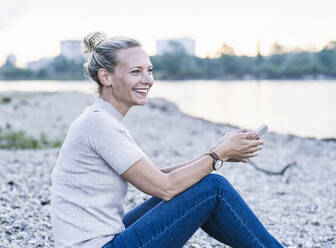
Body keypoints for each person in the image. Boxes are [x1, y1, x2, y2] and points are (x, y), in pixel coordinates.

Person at [51, 31, 284, 248]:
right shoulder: (100, 125)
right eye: (135, 72)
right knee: (214, 187)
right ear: (106, 77)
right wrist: (219, 155)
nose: (148, 80)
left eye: (149, 70)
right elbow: (165, 187)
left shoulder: (99, 119)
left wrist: (216, 150)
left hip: (106, 237)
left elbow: (157, 175)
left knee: (199, 183)